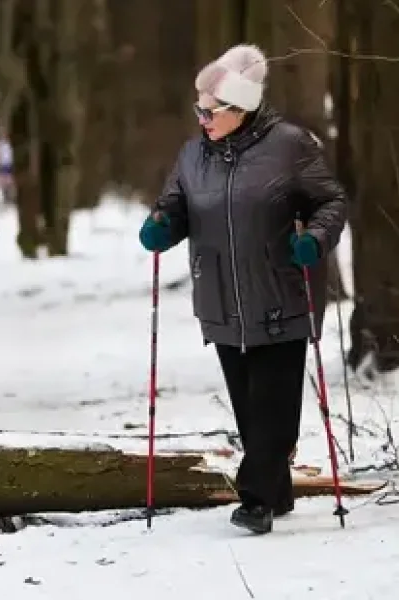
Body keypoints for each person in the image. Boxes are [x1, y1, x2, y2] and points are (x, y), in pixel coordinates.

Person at [137, 44, 347, 534]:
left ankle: (254, 500)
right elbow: (174, 205)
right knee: (252, 414)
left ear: (241, 108)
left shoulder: (291, 145)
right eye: (200, 110)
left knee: (274, 411)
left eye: (210, 111)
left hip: (280, 294)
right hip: (221, 300)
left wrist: (314, 240)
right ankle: (276, 492)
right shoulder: (192, 156)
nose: (202, 119)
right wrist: (161, 226)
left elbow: (331, 201)